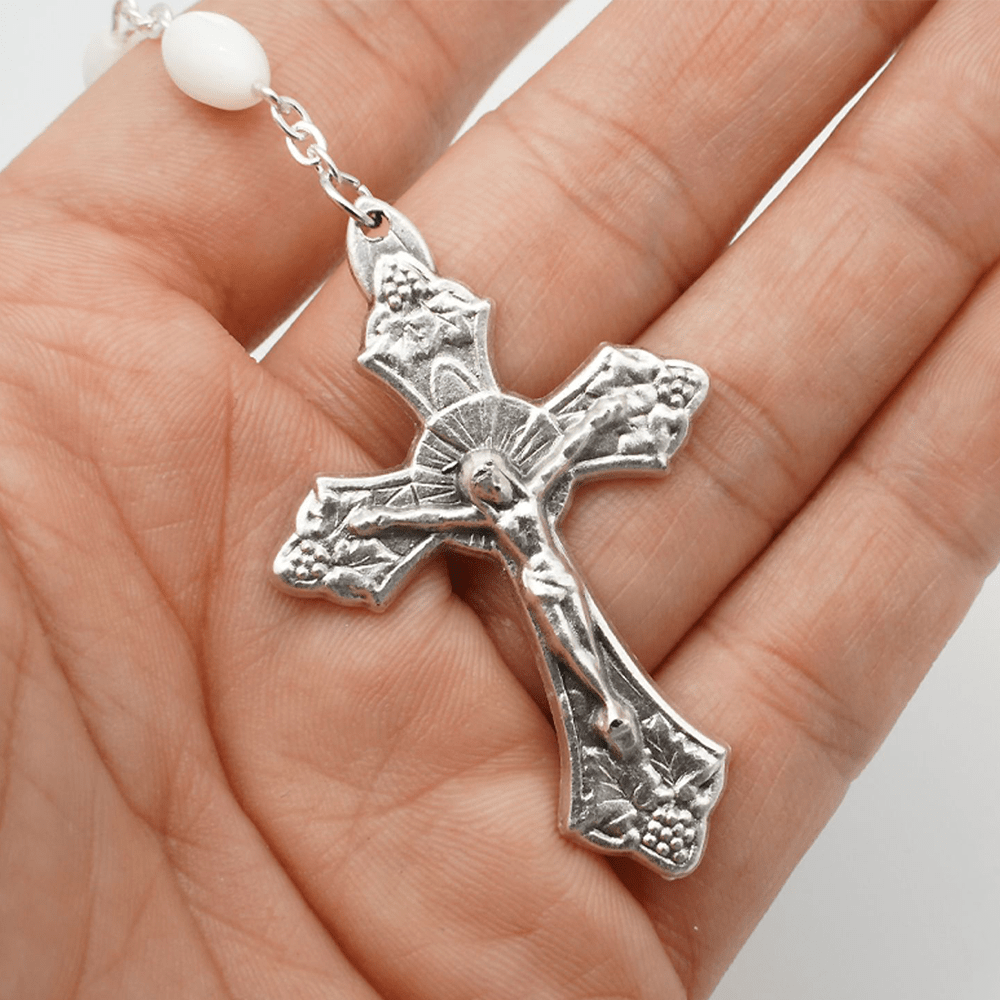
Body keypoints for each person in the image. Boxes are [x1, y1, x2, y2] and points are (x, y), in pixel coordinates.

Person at [0, 2, 996, 998]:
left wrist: (443, 505)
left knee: (579, 640)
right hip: (537, 584)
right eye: (480, 487)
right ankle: (628, 759)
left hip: (548, 579)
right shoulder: (453, 502)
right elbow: (354, 529)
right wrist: (381, 516)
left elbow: (636, 400)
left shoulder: (529, 467)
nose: (494, 490)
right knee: (574, 643)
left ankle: (630, 760)